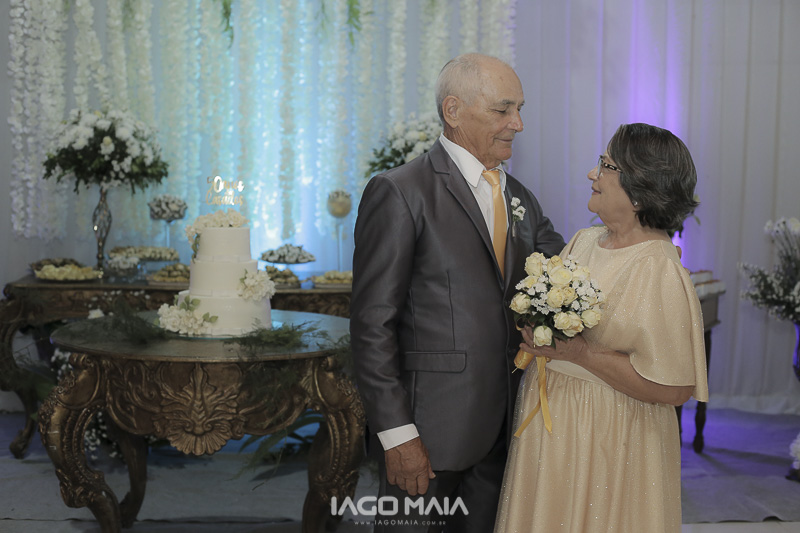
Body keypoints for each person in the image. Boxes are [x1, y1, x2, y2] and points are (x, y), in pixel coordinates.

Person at [350, 53, 565, 531]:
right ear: (453, 110)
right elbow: (371, 326)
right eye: (503, 109)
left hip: (507, 431)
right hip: (429, 432)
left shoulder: (520, 198)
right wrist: (397, 434)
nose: (518, 124)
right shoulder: (401, 192)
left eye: (520, 109)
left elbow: (566, 271)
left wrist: (637, 249)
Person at [494, 123, 709, 533]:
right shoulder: (584, 240)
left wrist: (581, 354)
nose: (592, 173)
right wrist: (536, 325)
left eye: (606, 165)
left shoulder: (659, 267)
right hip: (551, 425)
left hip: (612, 438)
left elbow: (675, 389)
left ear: (641, 189)